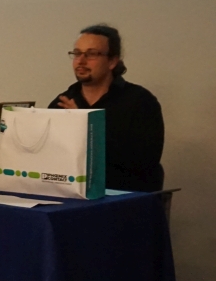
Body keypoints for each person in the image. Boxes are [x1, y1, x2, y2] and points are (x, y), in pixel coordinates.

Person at [49, 24, 164, 192]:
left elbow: (144, 161)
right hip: (72, 194)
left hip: (124, 196)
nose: (81, 61)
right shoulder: (62, 102)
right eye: (77, 53)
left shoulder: (140, 101)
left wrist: (85, 125)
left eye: (91, 54)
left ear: (112, 61)